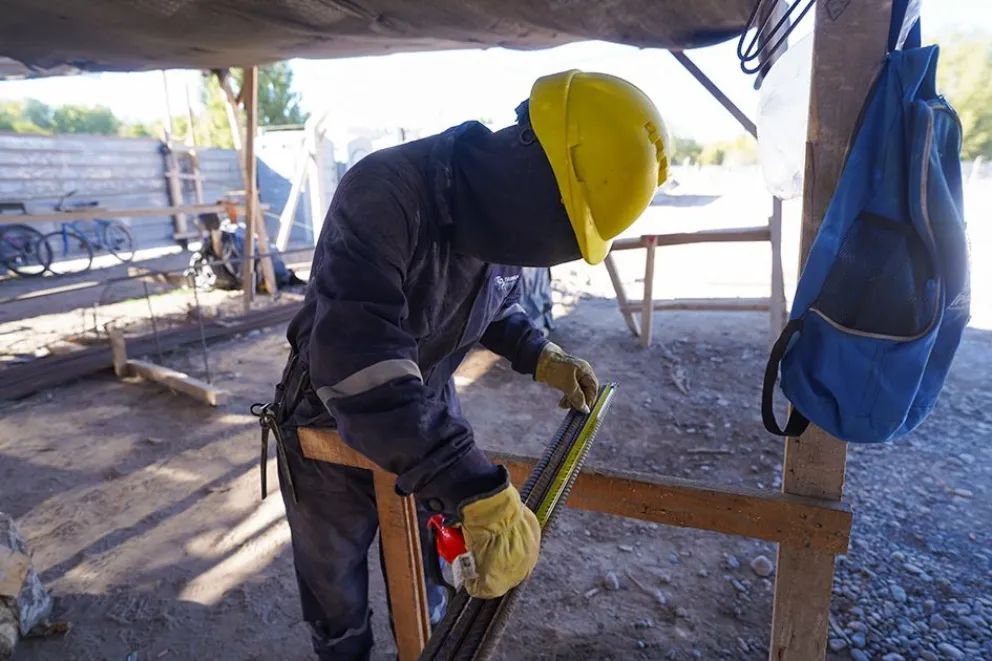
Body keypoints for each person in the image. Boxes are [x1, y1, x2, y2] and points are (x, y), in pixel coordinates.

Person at [265, 69, 670, 660]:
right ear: (532, 164)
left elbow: (492, 305)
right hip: (330, 417)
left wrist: (540, 355)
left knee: (431, 562)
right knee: (335, 584)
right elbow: (359, 359)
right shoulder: (387, 192)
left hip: (423, 408)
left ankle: (422, 638)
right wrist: (471, 481)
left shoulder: (502, 219)